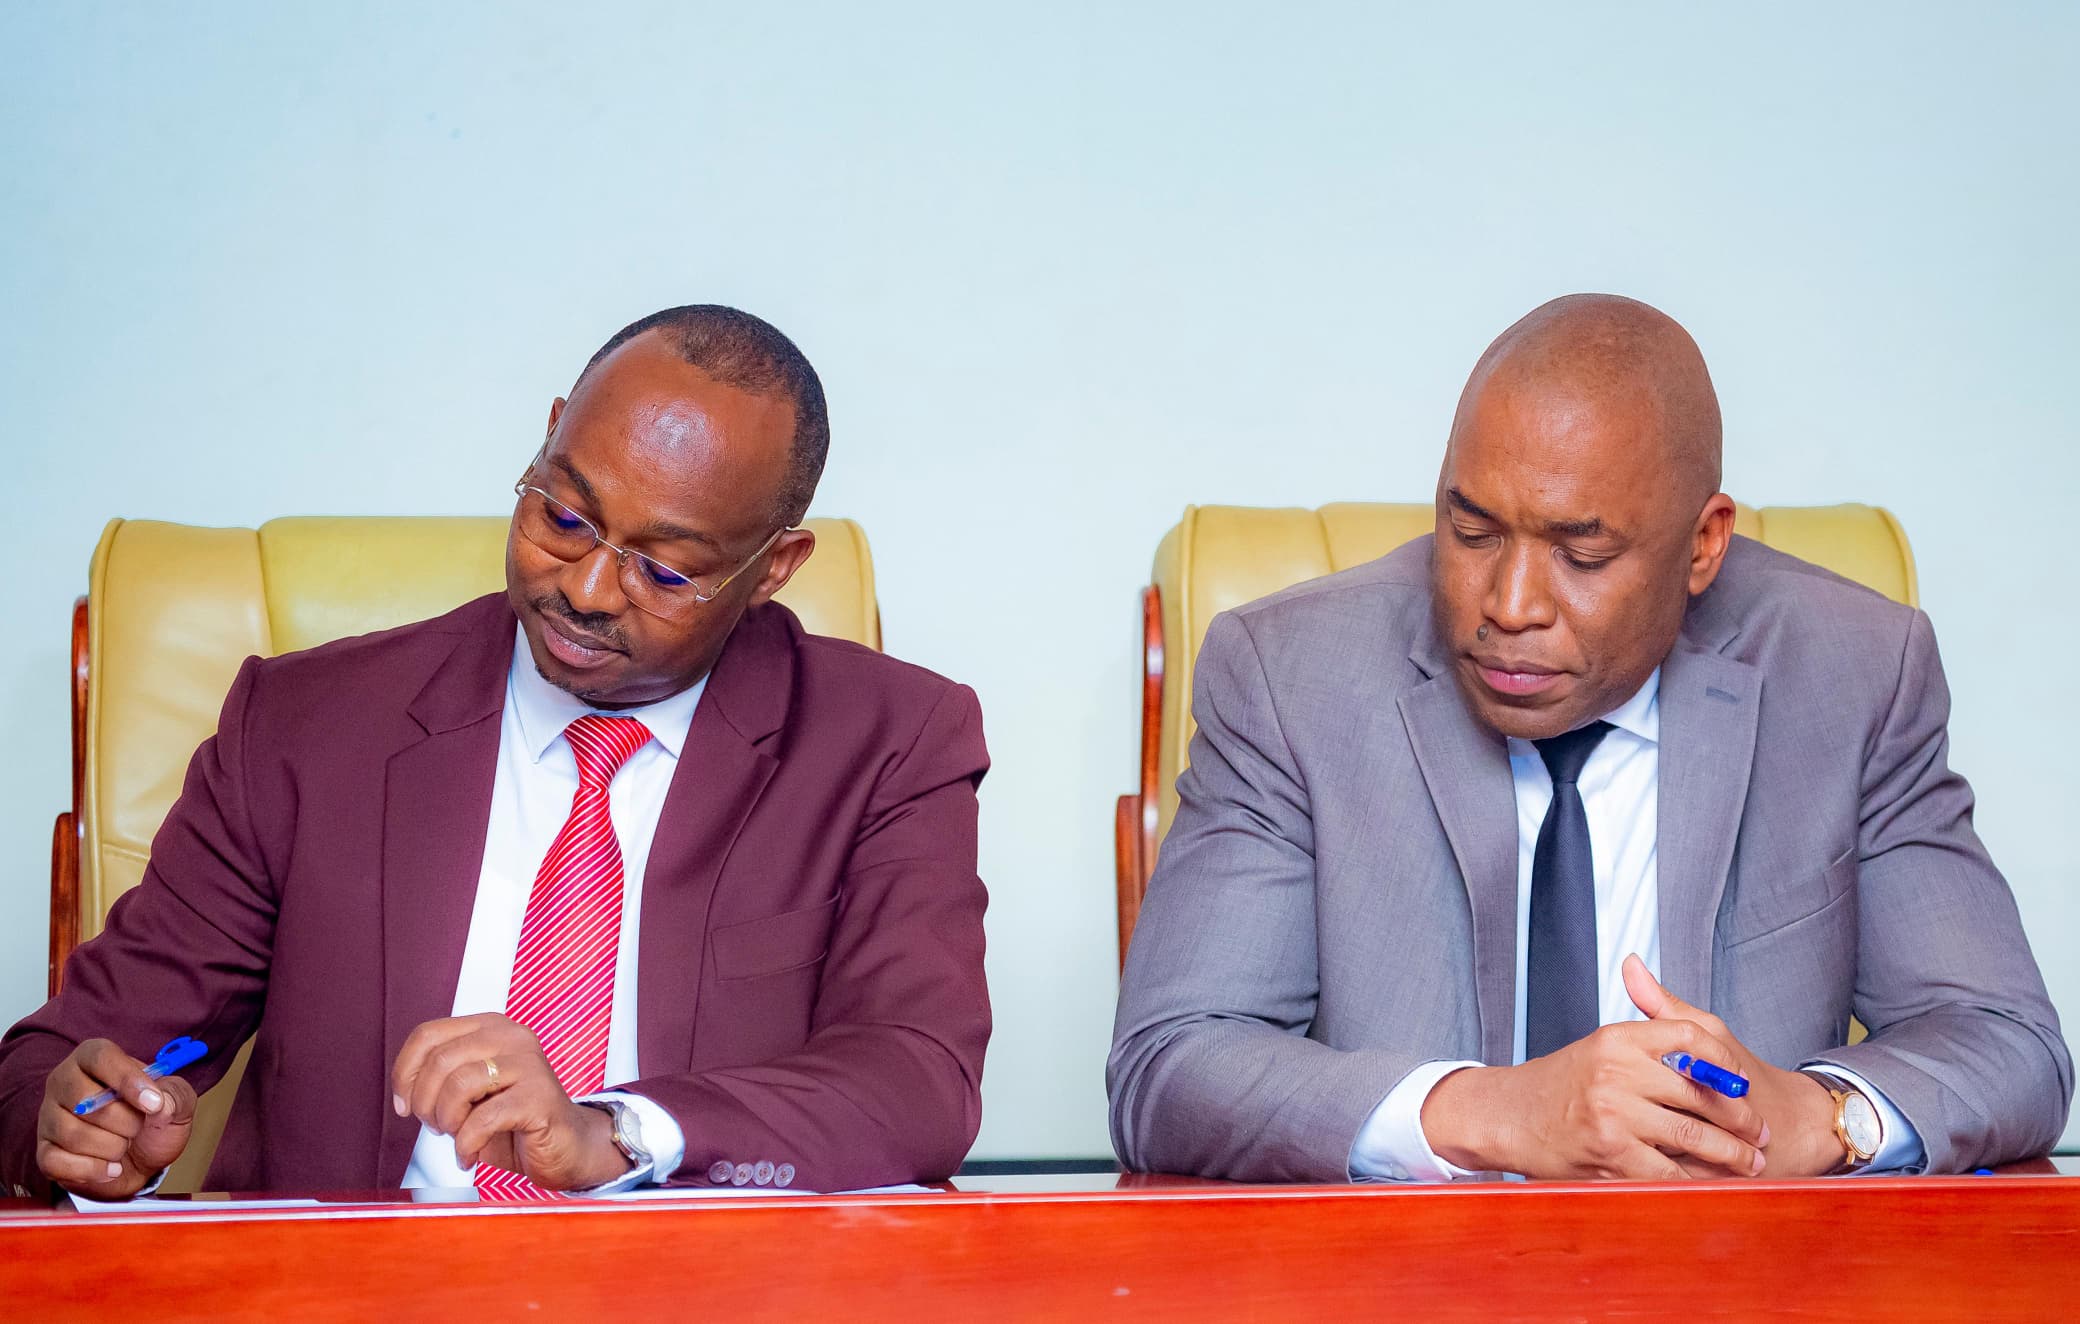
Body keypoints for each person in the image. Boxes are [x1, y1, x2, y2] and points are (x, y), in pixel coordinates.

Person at [1, 305, 991, 1200]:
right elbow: (58, 1063)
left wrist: (613, 1134)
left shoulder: (889, 741)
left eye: (662, 570)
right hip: (351, 1295)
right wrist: (78, 1123)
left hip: (701, 1291)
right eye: (563, 517)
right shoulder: (307, 726)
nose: (587, 590)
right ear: (549, 436)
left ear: (773, 567)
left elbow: (916, 1079)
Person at [1109, 293, 2070, 1182]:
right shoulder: (1290, 677)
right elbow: (1171, 1065)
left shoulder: (1852, 673)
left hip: (1733, 1275)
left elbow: (2006, 1044)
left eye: (1582, 553)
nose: (1510, 604)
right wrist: (1492, 1112)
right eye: (1472, 532)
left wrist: (1821, 1117)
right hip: (1405, 1278)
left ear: (1704, 544)